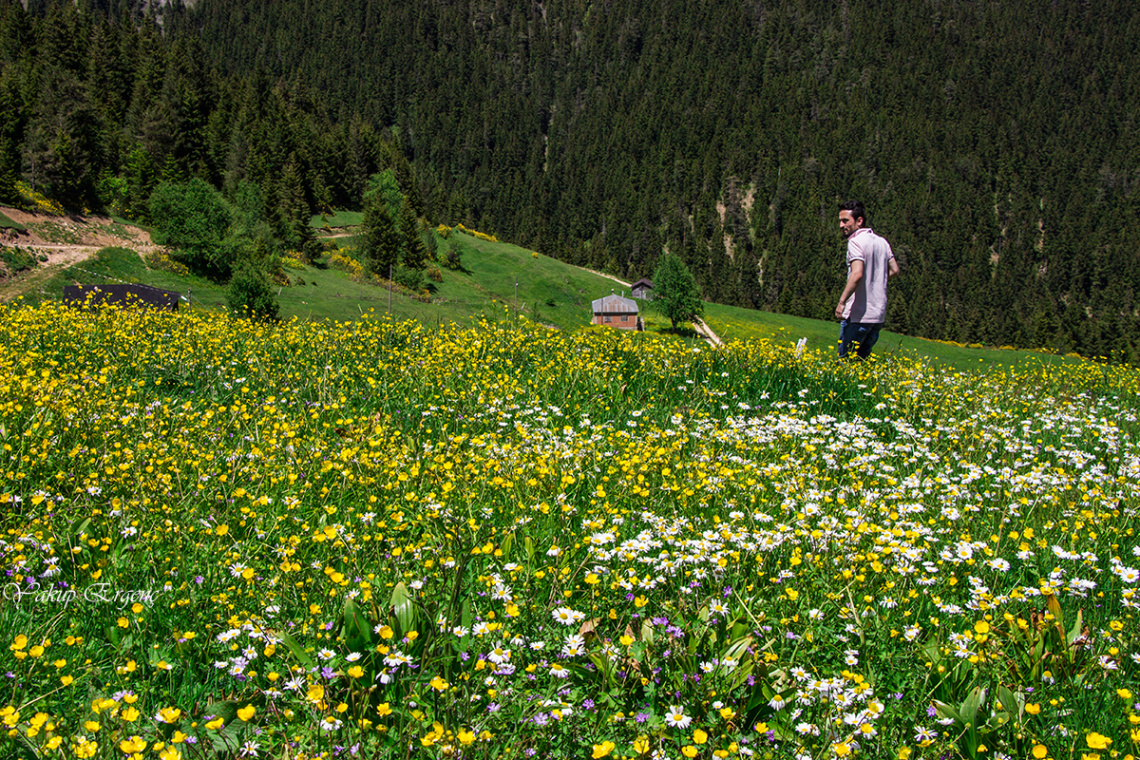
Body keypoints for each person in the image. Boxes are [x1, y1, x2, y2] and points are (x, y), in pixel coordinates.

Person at [834, 200, 899, 359]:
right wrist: (876, 282)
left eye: (845, 221)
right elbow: (895, 270)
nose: (841, 225)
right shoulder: (882, 242)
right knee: (861, 363)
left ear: (859, 220)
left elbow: (857, 274)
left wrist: (841, 302)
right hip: (877, 316)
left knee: (845, 363)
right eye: (840, 221)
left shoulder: (855, 242)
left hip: (858, 315)